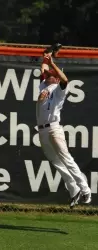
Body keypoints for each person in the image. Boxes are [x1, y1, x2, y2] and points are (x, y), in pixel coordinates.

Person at [36, 53, 91, 208]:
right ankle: (74, 190)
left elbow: (65, 79)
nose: (47, 76)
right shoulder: (44, 86)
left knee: (66, 158)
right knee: (55, 161)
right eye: (46, 76)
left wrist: (52, 63)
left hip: (54, 128)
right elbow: (43, 68)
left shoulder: (59, 90)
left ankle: (85, 189)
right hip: (42, 131)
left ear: (56, 79)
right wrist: (46, 58)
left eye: (50, 76)